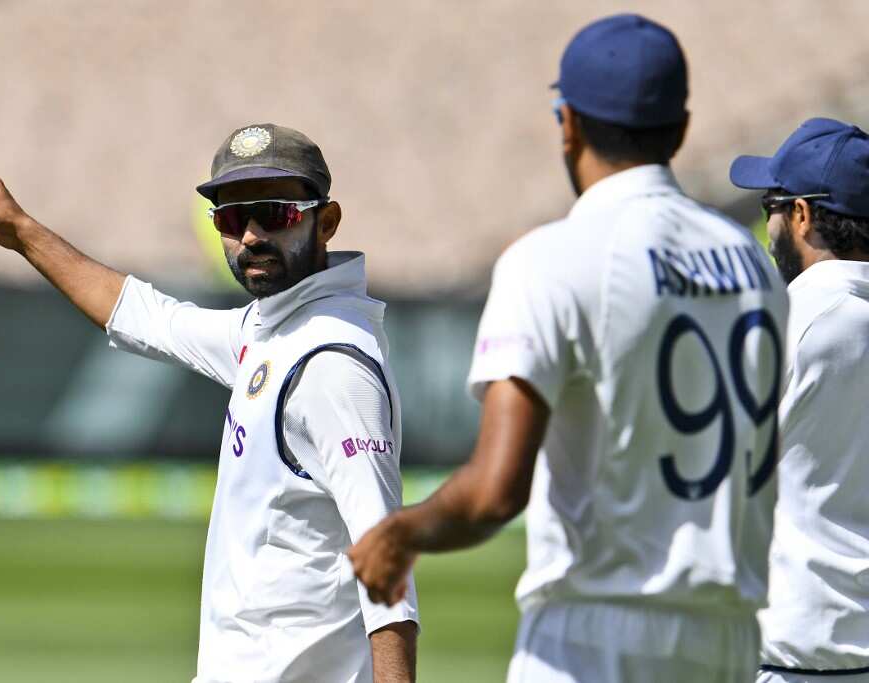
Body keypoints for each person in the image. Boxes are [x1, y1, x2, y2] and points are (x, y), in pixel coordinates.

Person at [349, 14, 788, 683]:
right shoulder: (752, 263)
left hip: (592, 638)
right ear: (680, 128)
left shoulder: (551, 258)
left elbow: (495, 492)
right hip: (727, 639)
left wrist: (402, 531)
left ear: (569, 123)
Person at [0, 123, 418, 683]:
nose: (252, 236)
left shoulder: (332, 366)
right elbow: (146, 317)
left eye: (274, 214)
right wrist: (21, 230)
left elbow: (386, 557)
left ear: (324, 222)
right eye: (233, 219)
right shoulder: (273, 331)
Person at [730, 118, 869, 683]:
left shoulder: (786, 320)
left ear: (805, 214)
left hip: (789, 656)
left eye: (773, 205)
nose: (769, 224)